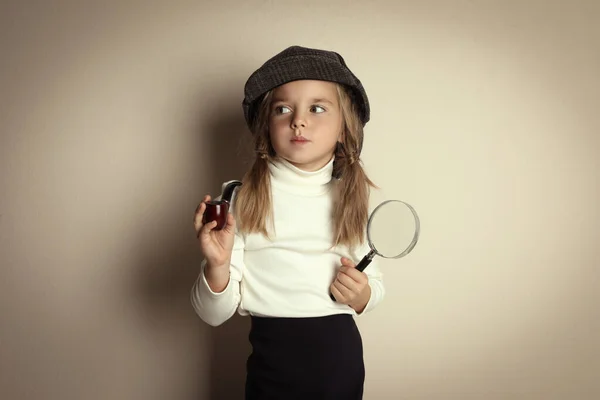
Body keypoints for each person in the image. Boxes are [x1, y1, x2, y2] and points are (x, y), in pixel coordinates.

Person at [191, 45, 385, 399]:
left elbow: (373, 288)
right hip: (270, 364)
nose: (299, 119)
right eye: (283, 109)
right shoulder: (240, 198)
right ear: (267, 127)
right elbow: (213, 314)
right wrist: (216, 265)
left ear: (344, 128)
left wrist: (362, 294)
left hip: (338, 364)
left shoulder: (350, 199)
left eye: (317, 108)